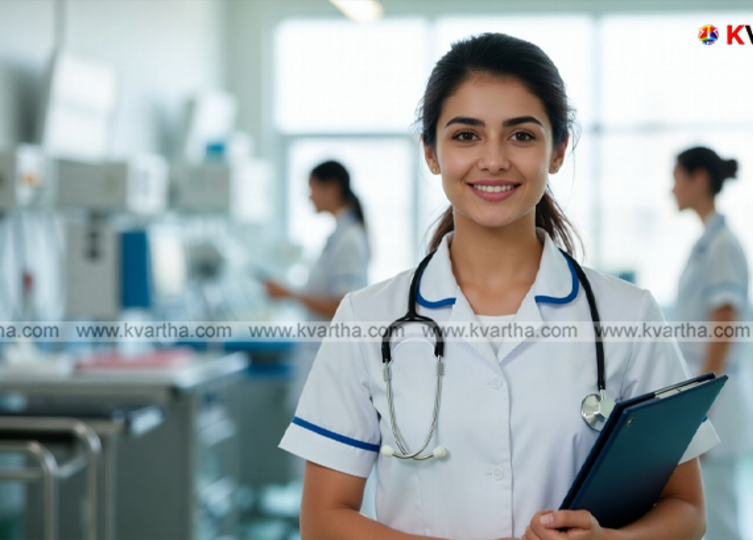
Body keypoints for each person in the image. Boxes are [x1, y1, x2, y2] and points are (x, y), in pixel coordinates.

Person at [279, 33, 719, 540]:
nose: (493, 160)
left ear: (557, 151)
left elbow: (687, 507)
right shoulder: (366, 319)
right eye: (466, 135)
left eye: (521, 136)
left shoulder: (628, 315)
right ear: (431, 152)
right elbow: (323, 519)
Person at [671, 147, 753, 540]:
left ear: (699, 181)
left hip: (716, 397)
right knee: (711, 507)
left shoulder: (723, 246)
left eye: (676, 178)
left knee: (720, 515)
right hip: (708, 390)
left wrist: (702, 403)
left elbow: (723, 323)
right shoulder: (709, 243)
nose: (671, 189)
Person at [264, 160, 370, 409]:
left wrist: (289, 294)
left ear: (331, 188)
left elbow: (343, 305)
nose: (309, 196)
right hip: (320, 358)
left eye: (312, 188)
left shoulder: (349, 241)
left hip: (332, 365)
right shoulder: (339, 237)